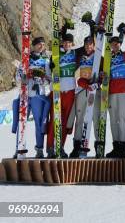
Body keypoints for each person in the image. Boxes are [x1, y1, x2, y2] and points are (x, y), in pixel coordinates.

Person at [12, 36, 51, 158]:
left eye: (43, 44)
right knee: (21, 121)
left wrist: (41, 77)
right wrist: (22, 77)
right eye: (39, 44)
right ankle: (19, 148)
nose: (41, 46)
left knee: (39, 122)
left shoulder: (46, 61)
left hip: (38, 95)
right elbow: (18, 78)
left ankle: (39, 149)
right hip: (25, 95)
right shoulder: (25, 59)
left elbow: (49, 80)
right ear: (34, 45)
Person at [105, 23, 125, 158]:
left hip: (124, 91)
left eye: (117, 43)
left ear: (120, 44)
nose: (115, 45)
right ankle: (116, 146)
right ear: (110, 46)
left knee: (121, 118)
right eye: (113, 44)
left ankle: (123, 147)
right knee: (113, 119)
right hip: (111, 92)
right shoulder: (108, 59)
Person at [47, 22, 77, 158]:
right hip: (57, 91)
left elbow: (91, 49)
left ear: (72, 44)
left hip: (70, 92)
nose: (66, 44)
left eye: (69, 43)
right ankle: (50, 147)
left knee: (64, 121)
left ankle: (61, 147)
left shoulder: (76, 54)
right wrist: (51, 67)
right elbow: (48, 68)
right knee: (54, 119)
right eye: (64, 42)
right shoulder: (56, 53)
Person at [70, 35, 103, 157]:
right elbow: (77, 77)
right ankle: (77, 147)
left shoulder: (99, 57)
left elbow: (104, 75)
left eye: (90, 45)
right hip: (82, 91)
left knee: (95, 119)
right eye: (86, 45)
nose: (88, 47)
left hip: (95, 92)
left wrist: (98, 83)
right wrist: (85, 84)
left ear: (94, 45)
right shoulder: (81, 57)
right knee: (79, 119)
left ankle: (99, 147)